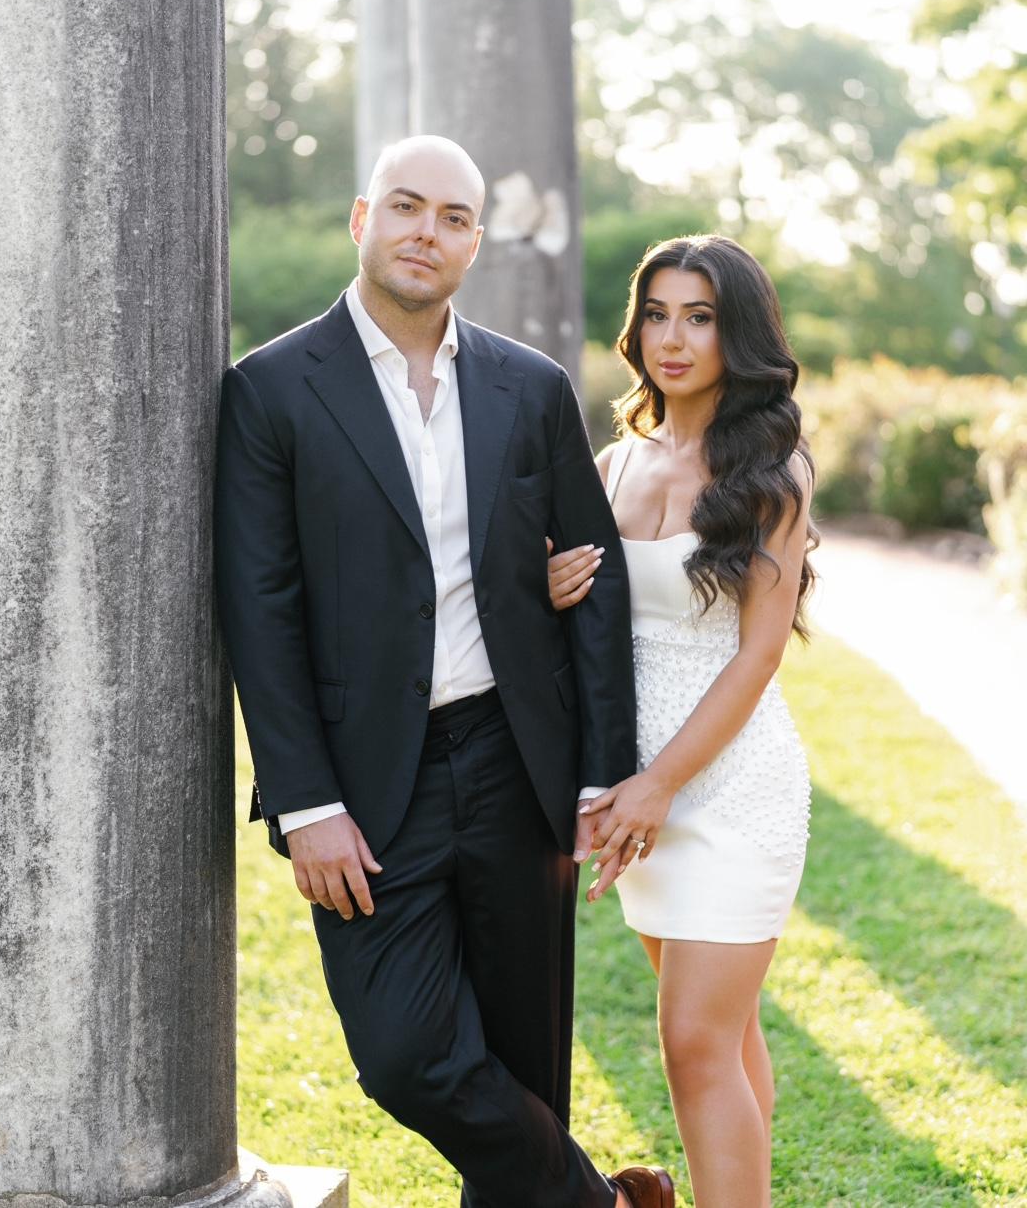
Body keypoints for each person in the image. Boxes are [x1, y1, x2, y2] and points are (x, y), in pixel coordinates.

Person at [214, 134, 675, 1208]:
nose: (428, 231)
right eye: (406, 206)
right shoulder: (271, 390)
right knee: (406, 1053)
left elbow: (593, 577)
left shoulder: (530, 387)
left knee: (522, 1061)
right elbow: (258, 612)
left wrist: (599, 772)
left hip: (518, 761)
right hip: (368, 786)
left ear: (475, 243)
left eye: (453, 217)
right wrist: (307, 803)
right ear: (361, 219)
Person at [549, 234, 816, 1208]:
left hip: (729, 789)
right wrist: (551, 586)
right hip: (636, 796)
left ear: (735, 332)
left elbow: (758, 653)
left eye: (698, 317)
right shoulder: (613, 463)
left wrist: (660, 785)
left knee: (695, 1043)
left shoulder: (773, 471)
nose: (672, 337)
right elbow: (587, 625)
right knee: (728, 1039)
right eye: (656, 314)